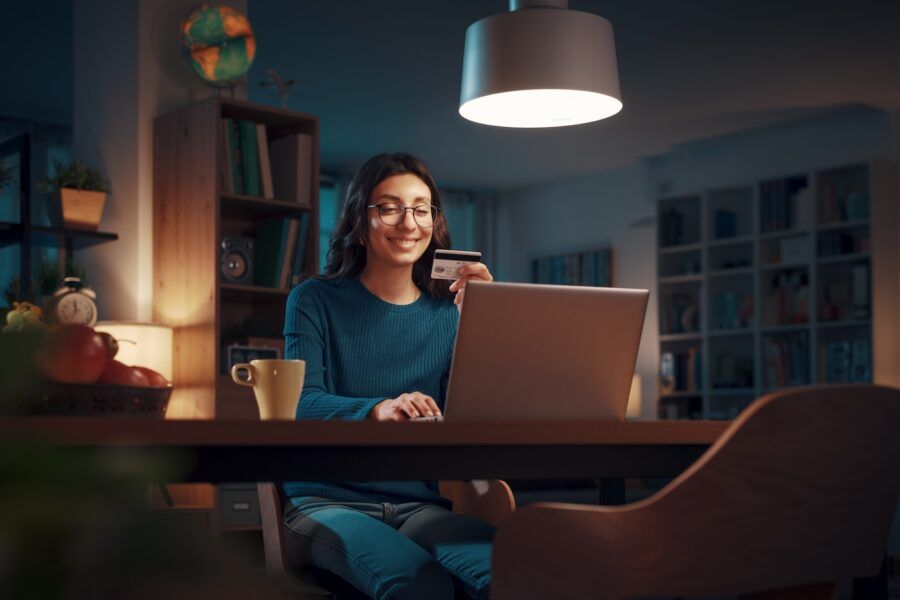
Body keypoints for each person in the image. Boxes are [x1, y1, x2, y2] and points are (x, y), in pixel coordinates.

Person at [282, 153, 495, 600]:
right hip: (325, 502)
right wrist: (378, 408)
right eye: (390, 207)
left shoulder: (449, 314)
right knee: (418, 585)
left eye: (421, 208)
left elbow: (476, 417)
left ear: (435, 223)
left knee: (511, 571)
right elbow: (300, 402)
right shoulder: (314, 299)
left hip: (418, 504)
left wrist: (489, 321)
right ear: (361, 222)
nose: (409, 222)